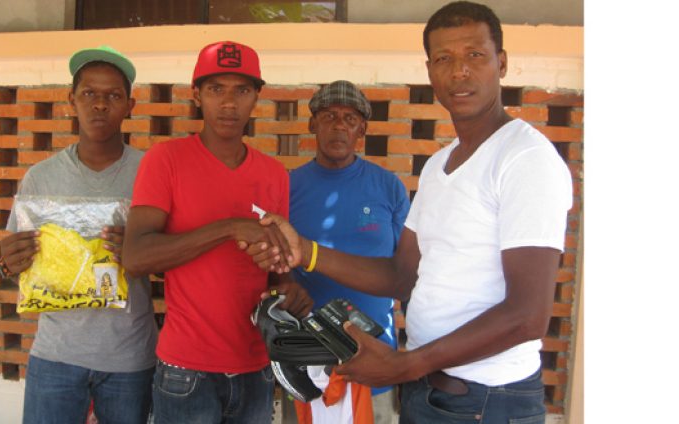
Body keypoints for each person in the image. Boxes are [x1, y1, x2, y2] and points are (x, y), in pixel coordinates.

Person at [244, 2, 573, 422]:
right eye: (444, 59)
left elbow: (528, 316)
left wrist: (405, 364)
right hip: (430, 392)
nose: (459, 72)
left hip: (488, 400)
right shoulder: (440, 165)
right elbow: (402, 276)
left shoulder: (524, 158)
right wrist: (305, 251)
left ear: (502, 63)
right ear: (430, 71)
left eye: (475, 54)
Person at [121, 40, 313, 424]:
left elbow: (276, 271)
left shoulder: (273, 174)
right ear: (196, 96)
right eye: (215, 90)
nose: (229, 103)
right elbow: (136, 257)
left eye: (241, 90)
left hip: (257, 367)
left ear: (257, 97)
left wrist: (289, 287)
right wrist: (228, 228)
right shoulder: (166, 160)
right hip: (185, 371)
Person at [0, 45, 158, 424]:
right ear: (72, 100)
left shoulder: (152, 173)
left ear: (130, 104)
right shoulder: (41, 177)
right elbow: (14, 265)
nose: (100, 105)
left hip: (130, 358)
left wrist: (139, 250)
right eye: (89, 94)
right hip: (55, 356)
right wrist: (6, 263)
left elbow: (173, 261)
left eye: (113, 96)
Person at [289, 80, 410, 424]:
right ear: (313, 124)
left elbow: (409, 274)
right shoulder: (287, 187)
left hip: (376, 362)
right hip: (307, 363)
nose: (339, 125)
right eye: (328, 116)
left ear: (362, 129)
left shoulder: (389, 188)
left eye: (350, 118)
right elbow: (275, 267)